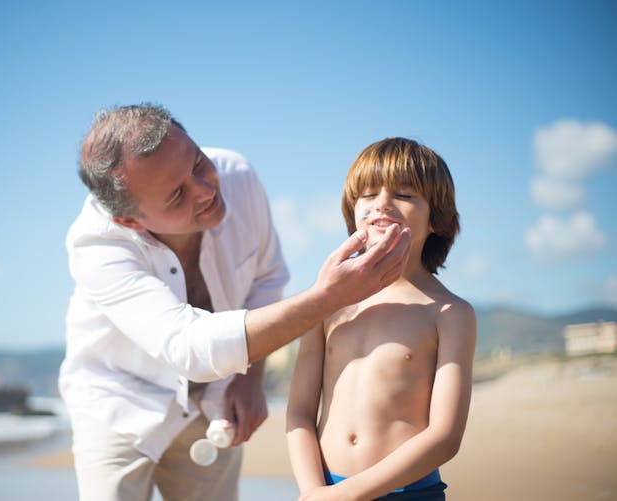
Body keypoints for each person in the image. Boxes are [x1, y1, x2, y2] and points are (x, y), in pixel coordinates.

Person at [59, 103, 411, 501]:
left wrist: (249, 376)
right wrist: (328, 297)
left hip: (215, 403)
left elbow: (267, 277)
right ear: (130, 221)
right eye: (177, 195)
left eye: (198, 164)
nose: (208, 191)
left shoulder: (237, 177)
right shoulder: (97, 244)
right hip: (120, 405)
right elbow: (187, 346)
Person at [286, 137, 477, 501]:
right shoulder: (328, 302)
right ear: (352, 209)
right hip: (325, 488)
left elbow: (445, 436)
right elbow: (299, 411)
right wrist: (313, 491)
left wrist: (349, 495)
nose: (382, 204)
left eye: (404, 195)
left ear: (437, 217)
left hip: (408, 492)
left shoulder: (450, 313)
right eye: (368, 194)